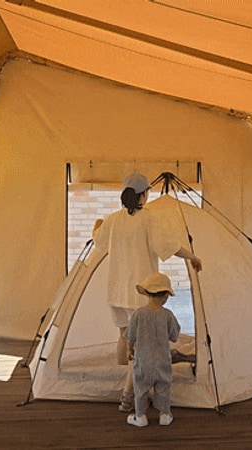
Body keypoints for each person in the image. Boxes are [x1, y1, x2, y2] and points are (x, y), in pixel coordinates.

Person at [92, 171, 202, 413]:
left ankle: (119, 380)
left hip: (116, 291)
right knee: (140, 346)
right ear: (143, 195)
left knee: (123, 336)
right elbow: (169, 246)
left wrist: (97, 224)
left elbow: (97, 239)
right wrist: (192, 256)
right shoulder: (149, 219)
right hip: (139, 293)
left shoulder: (113, 220)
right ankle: (128, 394)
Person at [125, 272, 180, 427]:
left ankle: (140, 416)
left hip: (143, 361)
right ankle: (164, 415)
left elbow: (130, 336)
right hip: (163, 361)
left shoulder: (138, 314)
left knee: (140, 387)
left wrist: (128, 350)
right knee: (164, 387)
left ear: (147, 294)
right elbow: (174, 336)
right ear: (165, 296)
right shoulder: (168, 315)